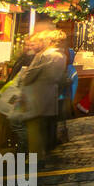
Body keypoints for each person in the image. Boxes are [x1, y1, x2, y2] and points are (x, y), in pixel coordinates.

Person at [17, 30, 68, 158]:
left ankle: (35, 158)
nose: (42, 42)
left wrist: (23, 75)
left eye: (44, 40)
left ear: (50, 41)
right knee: (41, 128)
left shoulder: (44, 55)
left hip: (35, 95)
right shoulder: (62, 56)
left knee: (32, 128)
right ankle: (41, 154)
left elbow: (29, 75)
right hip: (50, 95)